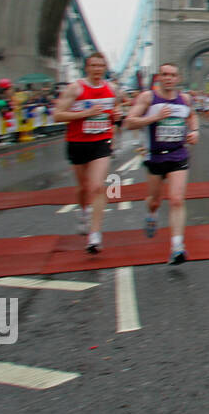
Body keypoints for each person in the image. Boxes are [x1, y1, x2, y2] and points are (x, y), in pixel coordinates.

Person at [125, 63, 198, 266]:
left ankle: (177, 247)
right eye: (165, 74)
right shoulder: (148, 98)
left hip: (178, 155)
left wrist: (194, 131)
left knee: (176, 199)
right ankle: (151, 213)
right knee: (155, 200)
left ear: (178, 78)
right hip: (155, 156)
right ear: (159, 77)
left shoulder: (185, 99)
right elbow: (129, 122)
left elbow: (192, 116)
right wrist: (154, 117)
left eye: (172, 75)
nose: (168, 78)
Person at [52, 52, 119, 253]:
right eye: (93, 66)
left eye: (101, 65)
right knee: (83, 187)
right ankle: (83, 211)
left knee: (97, 187)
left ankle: (95, 235)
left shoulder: (112, 89)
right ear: (87, 68)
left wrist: (116, 115)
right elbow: (57, 115)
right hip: (77, 142)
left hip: (101, 141)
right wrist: (84, 114)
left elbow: (114, 112)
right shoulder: (76, 88)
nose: (97, 69)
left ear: (105, 68)